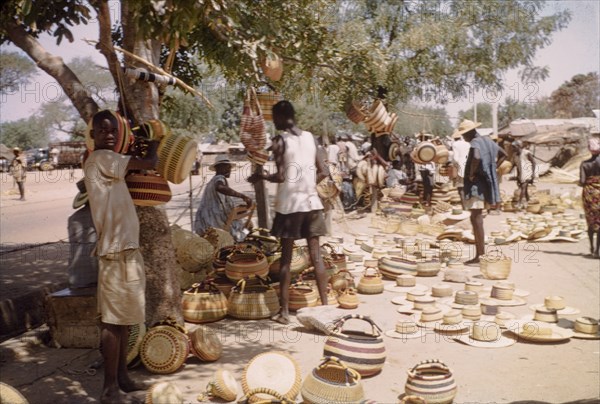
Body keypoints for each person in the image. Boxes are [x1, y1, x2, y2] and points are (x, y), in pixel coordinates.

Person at [84, 110, 158, 403]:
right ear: (93, 136)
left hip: (122, 248)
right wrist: (153, 139)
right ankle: (109, 388)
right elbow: (150, 163)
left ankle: (123, 378)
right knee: (113, 323)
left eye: (114, 130)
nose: (109, 135)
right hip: (116, 251)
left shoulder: (106, 161)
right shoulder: (103, 158)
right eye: (103, 131)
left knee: (123, 318)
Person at [247, 100, 329, 324]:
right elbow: (325, 171)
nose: (273, 122)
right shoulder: (311, 137)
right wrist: (309, 185)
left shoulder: (280, 140)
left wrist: (261, 176)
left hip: (290, 207)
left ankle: (284, 313)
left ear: (281, 117)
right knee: (317, 257)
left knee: (285, 260)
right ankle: (326, 306)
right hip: (312, 204)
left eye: (274, 118)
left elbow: (281, 176)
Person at [458, 119, 507, 266]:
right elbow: (504, 154)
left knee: (476, 218)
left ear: (469, 133)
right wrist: (492, 167)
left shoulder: (475, 142)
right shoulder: (488, 141)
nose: (463, 138)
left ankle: (480, 256)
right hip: (485, 183)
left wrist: (472, 173)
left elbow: (477, 157)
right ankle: (480, 254)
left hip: (477, 185)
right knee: (476, 218)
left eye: (464, 135)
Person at [194, 155, 253, 240]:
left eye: (229, 168)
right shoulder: (219, 178)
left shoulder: (212, 181)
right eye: (227, 167)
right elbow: (220, 187)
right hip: (214, 222)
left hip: (205, 221)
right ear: (220, 168)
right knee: (245, 229)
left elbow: (225, 207)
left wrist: (242, 209)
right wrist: (242, 196)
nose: (229, 170)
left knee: (243, 225)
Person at [579, 137, 600, 258]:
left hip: (589, 194)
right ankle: (598, 251)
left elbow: (582, 181)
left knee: (591, 221)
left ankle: (592, 248)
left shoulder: (584, 164)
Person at [511, 140, 537, 210]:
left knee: (523, 187)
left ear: (518, 146)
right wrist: (517, 176)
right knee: (524, 189)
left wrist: (533, 173)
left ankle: (519, 203)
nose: (513, 149)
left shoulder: (526, 153)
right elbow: (516, 166)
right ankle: (528, 201)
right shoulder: (516, 155)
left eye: (514, 147)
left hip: (527, 172)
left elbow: (533, 162)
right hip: (521, 173)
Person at [450, 130, 471, 209]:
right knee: (467, 186)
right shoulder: (467, 143)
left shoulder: (455, 144)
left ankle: (464, 206)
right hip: (468, 166)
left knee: (461, 188)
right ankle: (469, 204)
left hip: (460, 166)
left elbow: (455, 158)